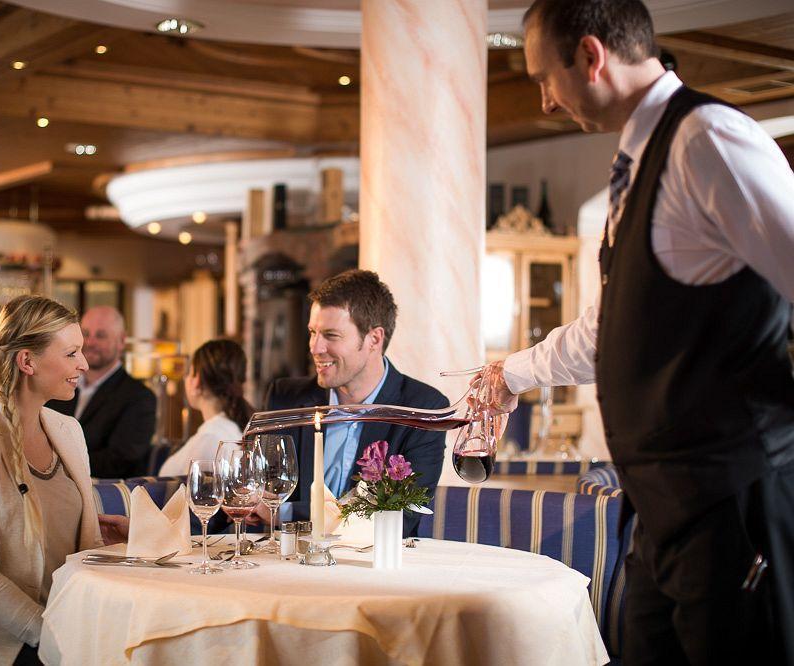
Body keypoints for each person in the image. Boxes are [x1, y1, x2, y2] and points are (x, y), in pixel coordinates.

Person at [477, 2, 794, 663]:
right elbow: (611, 330)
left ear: (591, 57)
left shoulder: (708, 141)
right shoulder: (638, 162)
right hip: (661, 504)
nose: (544, 101)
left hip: (730, 495)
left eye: (545, 78)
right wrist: (513, 374)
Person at [0, 296, 128, 666]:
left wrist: (129, 543)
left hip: (73, 624)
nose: (84, 365)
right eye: (72, 353)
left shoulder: (68, 430)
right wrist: (57, 637)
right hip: (5, 645)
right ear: (27, 361)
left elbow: (83, 549)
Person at [264, 269, 448, 537]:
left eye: (331, 335)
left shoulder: (424, 409)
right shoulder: (285, 398)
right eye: (313, 332)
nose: (315, 347)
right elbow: (260, 495)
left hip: (371, 570)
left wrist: (288, 513)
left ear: (374, 339)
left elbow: (399, 517)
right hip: (287, 562)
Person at [47, 306, 156, 479]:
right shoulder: (59, 386)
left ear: (121, 341)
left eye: (101, 335)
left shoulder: (139, 397)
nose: (90, 342)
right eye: (86, 334)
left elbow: (120, 461)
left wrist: (51, 463)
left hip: (107, 497)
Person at [158, 338, 253, 477]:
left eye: (189, 373)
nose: (186, 379)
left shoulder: (210, 439)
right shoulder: (233, 427)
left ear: (196, 382)